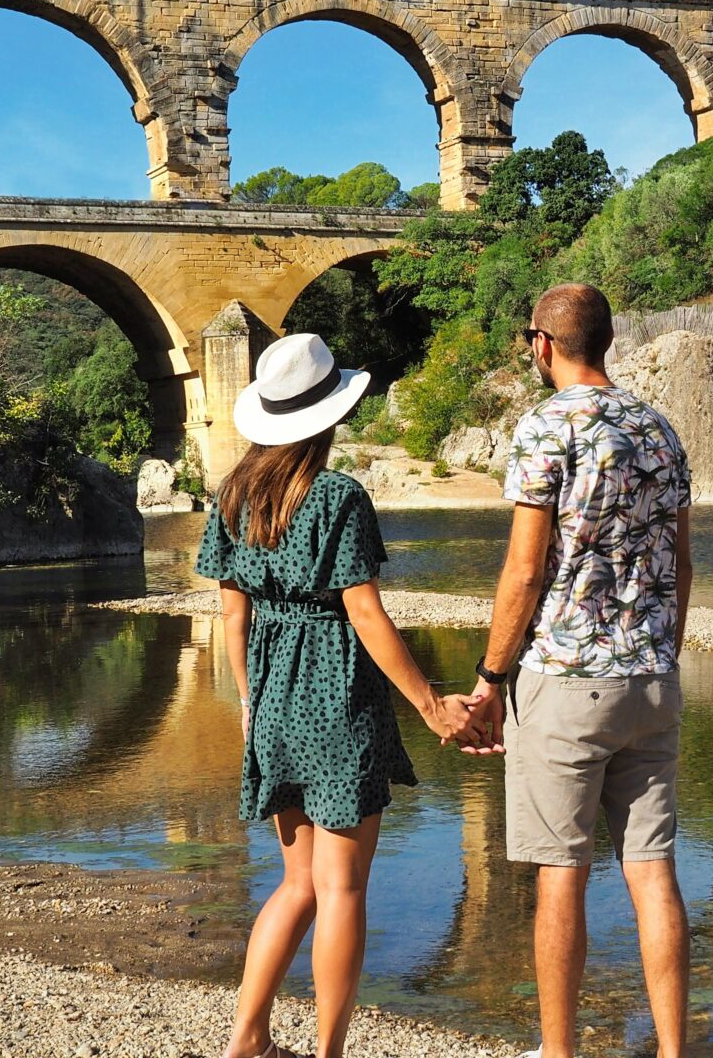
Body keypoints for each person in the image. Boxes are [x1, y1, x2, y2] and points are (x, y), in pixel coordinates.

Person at [200, 332, 483, 1058]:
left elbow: (232, 616)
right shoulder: (338, 497)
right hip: (335, 692)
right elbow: (362, 612)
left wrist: (247, 702)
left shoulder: (231, 496)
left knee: (296, 885)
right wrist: (430, 705)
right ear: (330, 415)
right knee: (343, 891)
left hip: (269, 699)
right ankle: (328, 1052)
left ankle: (246, 1041)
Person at [464, 283, 695, 1058]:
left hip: (565, 680)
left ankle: (558, 1053)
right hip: (651, 677)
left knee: (560, 873)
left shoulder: (544, 427)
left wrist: (490, 679)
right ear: (608, 339)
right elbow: (682, 564)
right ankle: (671, 1051)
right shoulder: (658, 428)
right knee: (652, 868)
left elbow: (525, 572)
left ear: (543, 343)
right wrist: (663, 652)